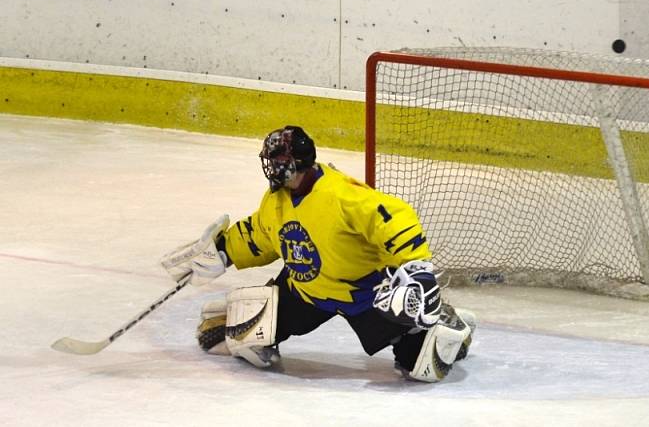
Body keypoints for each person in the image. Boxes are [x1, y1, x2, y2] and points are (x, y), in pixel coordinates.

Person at [161, 125, 476, 382]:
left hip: (365, 294)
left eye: (275, 160)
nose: (270, 167)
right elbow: (260, 233)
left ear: (292, 163)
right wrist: (223, 251)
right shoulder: (277, 201)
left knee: (421, 365)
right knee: (241, 338)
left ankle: (450, 326)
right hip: (306, 292)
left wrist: (416, 266)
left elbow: (393, 216)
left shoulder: (340, 195)